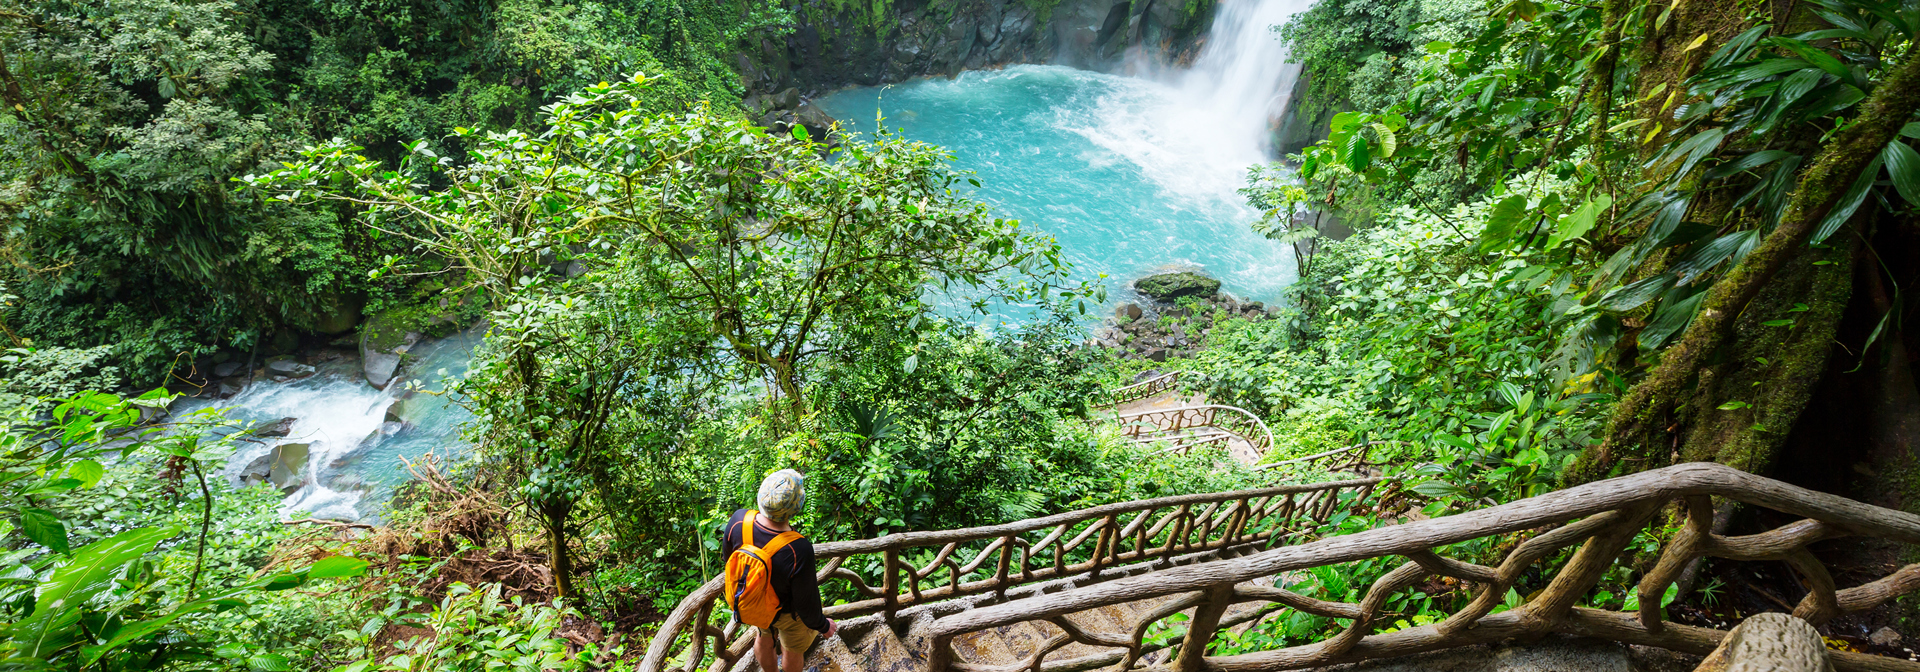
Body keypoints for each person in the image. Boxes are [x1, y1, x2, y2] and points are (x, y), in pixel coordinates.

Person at [722, 469, 838, 672]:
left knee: (763, 635)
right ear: (797, 506)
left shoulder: (739, 521)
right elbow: (805, 602)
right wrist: (823, 625)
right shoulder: (798, 549)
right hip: (787, 613)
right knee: (792, 649)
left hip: (755, 602)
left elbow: (728, 559)